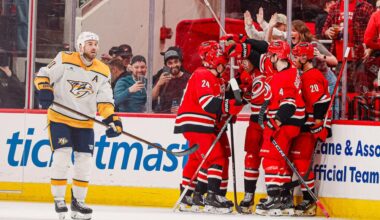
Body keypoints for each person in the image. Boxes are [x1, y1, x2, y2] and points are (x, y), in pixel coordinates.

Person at [34, 31, 123, 220]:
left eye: (96, 44)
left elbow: (105, 100)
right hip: (60, 118)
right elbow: (43, 75)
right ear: (80, 46)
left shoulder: (102, 69)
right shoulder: (65, 59)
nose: (94, 47)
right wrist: (45, 89)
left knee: (85, 162)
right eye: (89, 43)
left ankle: (78, 201)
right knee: (62, 155)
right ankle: (59, 198)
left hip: (85, 123)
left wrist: (112, 120)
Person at [174, 40, 243, 213]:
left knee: (196, 160)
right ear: (215, 61)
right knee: (216, 158)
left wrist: (229, 109)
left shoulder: (216, 79)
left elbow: (219, 105)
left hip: (200, 124)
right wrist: (229, 105)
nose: (225, 66)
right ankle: (212, 198)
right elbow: (208, 103)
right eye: (223, 62)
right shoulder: (203, 74)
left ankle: (186, 196)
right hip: (195, 123)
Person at [255, 40, 305, 216]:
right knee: (281, 162)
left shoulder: (285, 75)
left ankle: (274, 199)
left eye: (272, 55)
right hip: (291, 124)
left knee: (271, 160)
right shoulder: (290, 72)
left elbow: (288, 105)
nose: (270, 58)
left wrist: (274, 122)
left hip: (283, 124)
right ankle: (284, 199)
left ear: (278, 56)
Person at [291, 42, 332, 216]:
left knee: (302, 163)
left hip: (310, 127)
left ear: (304, 57)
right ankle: (307, 200)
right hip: (305, 125)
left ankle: (309, 201)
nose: (293, 59)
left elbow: (321, 102)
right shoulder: (305, 75)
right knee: (300, 162)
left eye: (296, 56)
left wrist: (317, 124)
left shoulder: (311, 76)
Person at [322, 0, 374, 93]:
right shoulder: (335, 7)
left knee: (360, 90)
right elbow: (324, 29)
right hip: (339, 56)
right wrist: (328, 32)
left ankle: (359, 107)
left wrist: (370, 49)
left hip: (359, 55)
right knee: (340, 90)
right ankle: (343, 108)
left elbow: (375, 30)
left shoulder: (365, 6)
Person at [152, 46, 190, 113]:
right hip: (163, 118)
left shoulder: (189, 79)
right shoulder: (163, 78)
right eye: (170, 63)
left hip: (182, 117)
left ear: (180, 63)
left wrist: (183, 109)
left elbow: (195, 101)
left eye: (176, 62)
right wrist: (158, 84)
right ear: (166, 65)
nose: (173, 65)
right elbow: (151, 98)